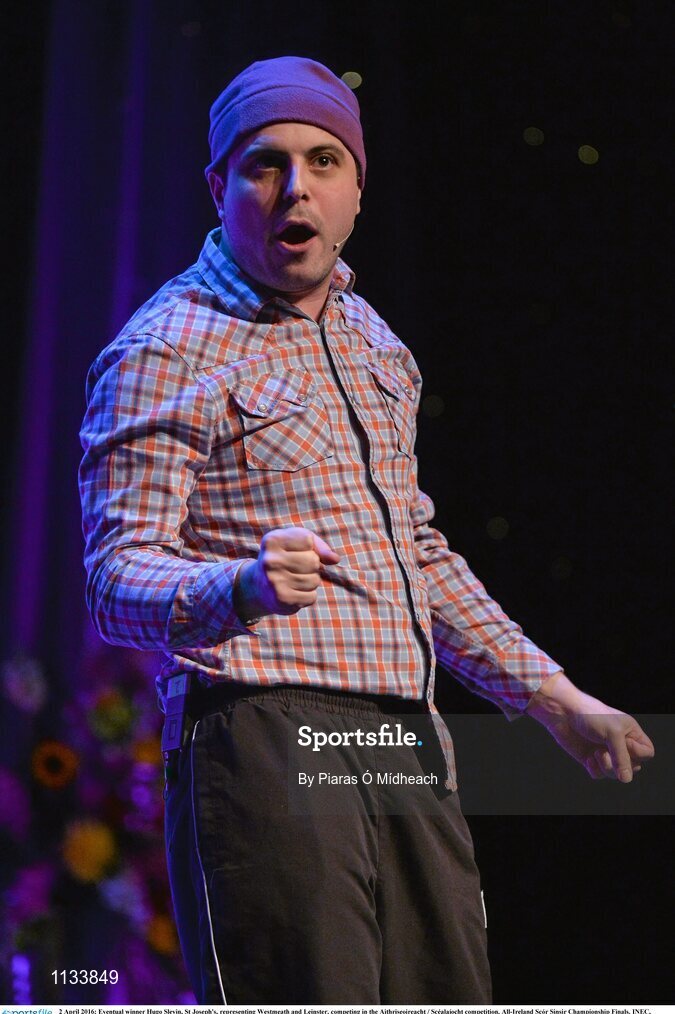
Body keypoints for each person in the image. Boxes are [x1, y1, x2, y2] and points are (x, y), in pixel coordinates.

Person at [78, 56, 654, 1004]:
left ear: (355, 187)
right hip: (265, 725)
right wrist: (239, 586)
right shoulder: (163, 347)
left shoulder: (373, 341)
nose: (294, 188)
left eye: (322, 160)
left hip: (404, 730)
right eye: (264, 164)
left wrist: (553, 698)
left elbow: (415, 553)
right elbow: (112, 583)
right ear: (219, 187)